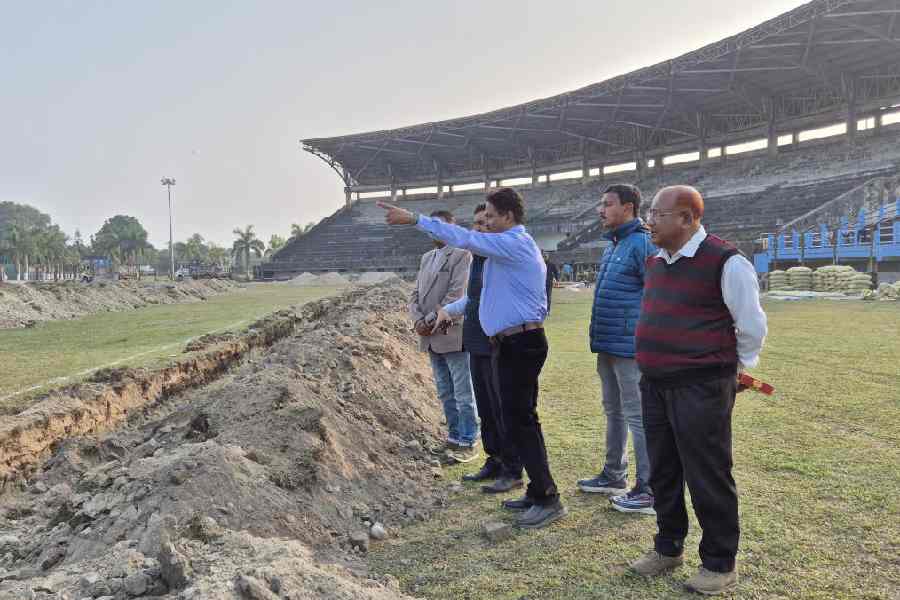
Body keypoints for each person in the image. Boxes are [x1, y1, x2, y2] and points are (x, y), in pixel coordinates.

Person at [379, 188, 566, 529]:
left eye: (490, 216)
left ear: (508, 216)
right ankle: (537, 489)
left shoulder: (514, 243)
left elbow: (464, 238)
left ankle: (548, 497)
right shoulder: (502, 252)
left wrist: (415, 219)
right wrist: (448, 310)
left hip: (522, 343)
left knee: (522, 421)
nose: (485, 223)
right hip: (509, 343)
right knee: (515, 420)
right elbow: (479, 297)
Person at [629, 185, 767, 596]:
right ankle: (668, 547)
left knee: (707, 473)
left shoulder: (726, 262)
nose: (649, 222)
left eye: (657, 214)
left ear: (687, 218)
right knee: (662, 470)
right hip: (656, 384)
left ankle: (720, 563)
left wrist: (732, 369)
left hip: (701, 386)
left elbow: (751, 326)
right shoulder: (657, 261)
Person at [577, 184, 657, 517]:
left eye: (607, 204)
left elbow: (656, 295)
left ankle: (649, 489)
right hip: (608, 344)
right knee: (614, 411)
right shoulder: (613, 244)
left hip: (629, 347)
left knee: (638, 417)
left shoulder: (642, 243)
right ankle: (614, 475)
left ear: (628, 207)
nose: (601, 209)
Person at [453, 204, 523, 494]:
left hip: (498, 343)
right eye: (476, 223)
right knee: (486, 408)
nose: (480, 228)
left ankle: (512, 469)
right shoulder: (478, 260)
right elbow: (472, 300)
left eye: (485, 223)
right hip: (476, 341)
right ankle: (494, 459)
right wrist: (447, 311)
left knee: (502, 408)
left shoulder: (500, 260)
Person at [408, 210, 479, 464]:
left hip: (451, 332)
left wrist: (428, 321)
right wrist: (417, 319)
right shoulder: (427, 257)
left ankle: (469, 439)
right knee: (444, 390)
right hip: (429, 335)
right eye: (432, 225)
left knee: (462, 391)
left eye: (440, 225)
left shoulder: (462, 255)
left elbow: (456, 295)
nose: (435, 230)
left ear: (452, 226)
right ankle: (453, 435)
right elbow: (415, 293)